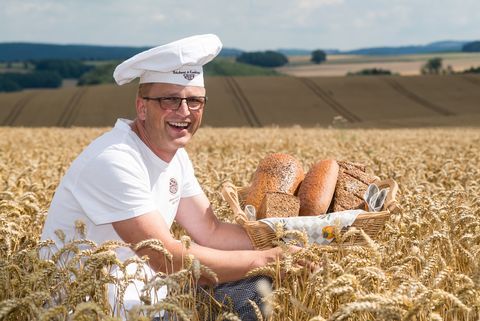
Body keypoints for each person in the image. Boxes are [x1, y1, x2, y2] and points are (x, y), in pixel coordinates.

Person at [40, 34, 284, 320]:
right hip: (100, 311)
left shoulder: (175, 156)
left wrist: (286, 235)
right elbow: (163, 257)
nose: (184, 112)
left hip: (151, 299)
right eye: (170, 100)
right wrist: (266, 259)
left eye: (195, 101)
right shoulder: (114, 160)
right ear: (142, 107)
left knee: (257, 287)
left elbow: (211, 231)